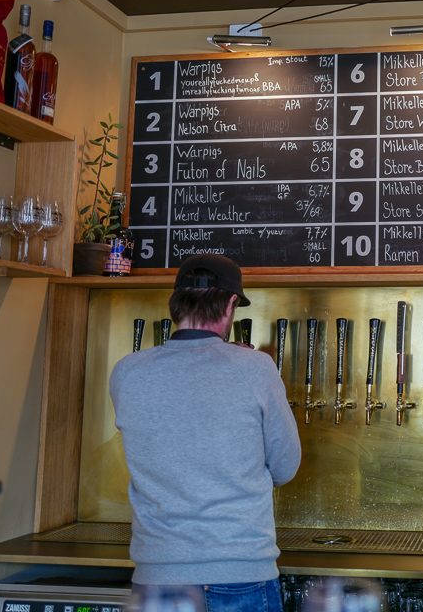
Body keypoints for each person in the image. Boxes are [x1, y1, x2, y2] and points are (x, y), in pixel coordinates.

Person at [111, 254, 301, 610]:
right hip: (240, 571)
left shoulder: (127, 372)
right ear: (230, 304)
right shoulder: (256, 369)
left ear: (175, 303)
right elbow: (285, 467)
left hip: (157, 577)